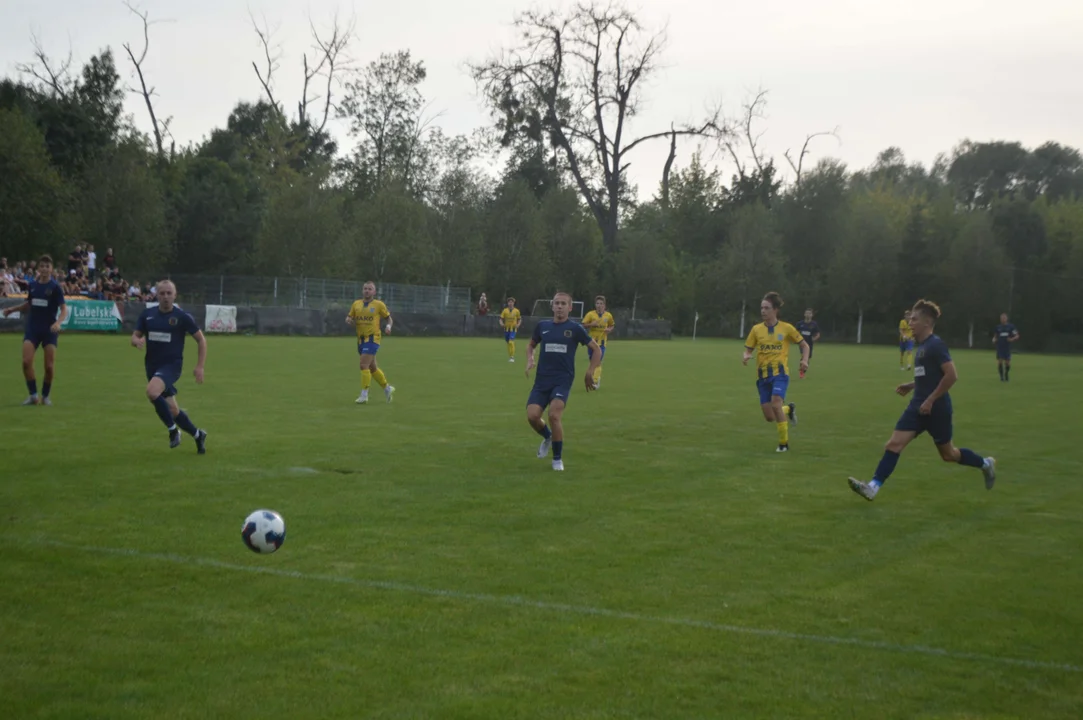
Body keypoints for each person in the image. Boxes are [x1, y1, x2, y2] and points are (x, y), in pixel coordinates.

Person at [848, 299, 996, 501]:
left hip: (937, 409)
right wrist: (912, 385)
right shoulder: (922, 347)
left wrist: (931, 400)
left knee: (949, 454)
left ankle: (985, 464)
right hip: (917, 407)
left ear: (927, 322)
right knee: (893, 445)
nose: (910, 323)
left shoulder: (936, 345)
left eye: (914, 319)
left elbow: (951, 375)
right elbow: (929, 377)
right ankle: (872, 487)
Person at [524, 292, 602, 471]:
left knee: (554, 415)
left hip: (562, 380)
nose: (559, 306)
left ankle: (557, 460)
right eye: (557, 303)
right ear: (552, 306)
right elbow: (531, 345)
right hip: (542, 380)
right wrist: (530, 359)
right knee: (532, 416)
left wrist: (590, 371)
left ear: (570, 307)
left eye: (563, 304)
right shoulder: (542, 326)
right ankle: (548, 437)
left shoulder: (575, 329)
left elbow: (596, 350)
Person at [131, 280, 208, 451]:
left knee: (152, 391)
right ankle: (198, 435)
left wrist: (199, 366)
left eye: (169, 293)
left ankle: (173, 431)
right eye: (162, 293)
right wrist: (137, 341)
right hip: (152, 366)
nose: (165, 297)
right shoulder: (147, 315)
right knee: (172, 410)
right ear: (156, 295)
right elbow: (134, 336)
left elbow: (201, 340)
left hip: (171, 366)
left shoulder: (182, 317)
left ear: (175, 295)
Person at [742, 292, 809, 452]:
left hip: (780, 374)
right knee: (770, 416)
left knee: (776, 402)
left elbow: (804, 345)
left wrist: (804, 360)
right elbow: (748, 350)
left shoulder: (786, 328)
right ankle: (789, 410)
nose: (763, 311)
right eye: (762, 308)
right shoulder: (756, 330)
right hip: (762, 376)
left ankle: (783, 444)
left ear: (775, 310)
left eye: (767, 308)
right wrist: (746, 356)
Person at [2, 255, 68, 405]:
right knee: (26, 362)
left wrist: (58, 323)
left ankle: (45, 396)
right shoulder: (32, 285)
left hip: (49, 331)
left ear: (51, 269)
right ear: (38, 268)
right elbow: (29, 304)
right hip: (33, 329)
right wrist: (13, 309)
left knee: (49, 367)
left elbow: (64, 310)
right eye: (42, 266)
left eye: (47, 266)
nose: (44, 269)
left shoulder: (55, 287)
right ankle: (33, 395)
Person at [346, 281, 395, 404]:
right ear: (362, 290)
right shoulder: (356, 304)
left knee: (363, 365)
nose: (367, 291)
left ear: (374, 292)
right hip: (360, 339)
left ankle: (364, 395)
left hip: (373, 338)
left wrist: (388, 326)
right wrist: (349, 320)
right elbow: (350, 319)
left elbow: (389, 318)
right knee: (372, 368)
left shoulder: (378, 305)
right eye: (365, 288)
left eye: (370, 289)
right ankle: (387, 388)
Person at [581, 295, 615, 387]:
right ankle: (594, 377)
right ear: (595, 305)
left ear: (604, 305)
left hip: (602, 343)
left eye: (601, 303)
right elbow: (583, 325)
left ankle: (595, 381)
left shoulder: (608, 315)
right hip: (591, 343)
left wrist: (609, 329)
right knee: (592, 362)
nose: (599, 305)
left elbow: (612, 325)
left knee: (598, 361)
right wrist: (591, 324)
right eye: (597, 303)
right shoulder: (590, 314)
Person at [992, 313, 1020, 382]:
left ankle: (1006, 373)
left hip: (1007, 347)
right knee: (999, 362)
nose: (1003, 319)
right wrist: (994, 339)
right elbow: (995, 336)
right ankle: (1001, 377)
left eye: (1004, 318)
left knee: (1007, 363)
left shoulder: (1011, 327)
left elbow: (1017, 335)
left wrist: (1012, 339)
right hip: (1000, 347)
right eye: (1001, 318)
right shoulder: (998, 327)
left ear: (1006, 318)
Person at [499, 297, 522, 362]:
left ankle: (512, 357)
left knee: (511, 342)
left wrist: (518, 324)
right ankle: (510, 356)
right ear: (507, 303)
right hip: (506, 329)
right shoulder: (505, 310)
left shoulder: (517, 311)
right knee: (508, 343)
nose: (510, 303)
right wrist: (501, 323)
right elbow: (501, 318)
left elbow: (519, 319)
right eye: (509, 302)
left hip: (513, 329)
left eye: (512, 302)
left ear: (514, 303)